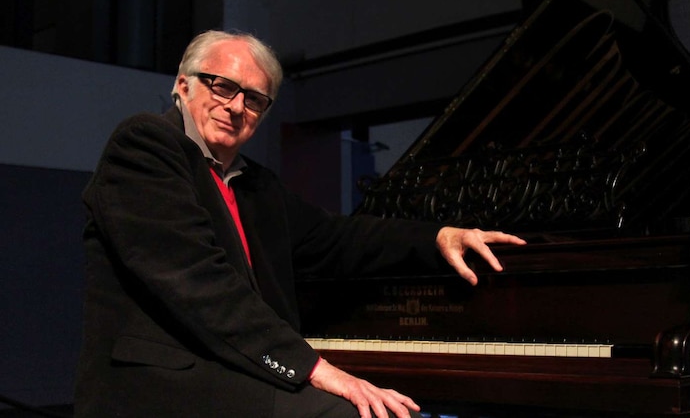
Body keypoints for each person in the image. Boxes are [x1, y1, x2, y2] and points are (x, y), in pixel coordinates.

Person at [74, 29, 526, 418]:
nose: (235, 106)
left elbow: (340, 237)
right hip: (165, 380)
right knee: (351, 412)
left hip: (235, 366)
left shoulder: (256, 186)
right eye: (221, 86)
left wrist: (438, 236)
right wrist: (316, 368)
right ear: (183, 85)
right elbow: (195, 283)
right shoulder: (146, 145)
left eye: (254, 99)